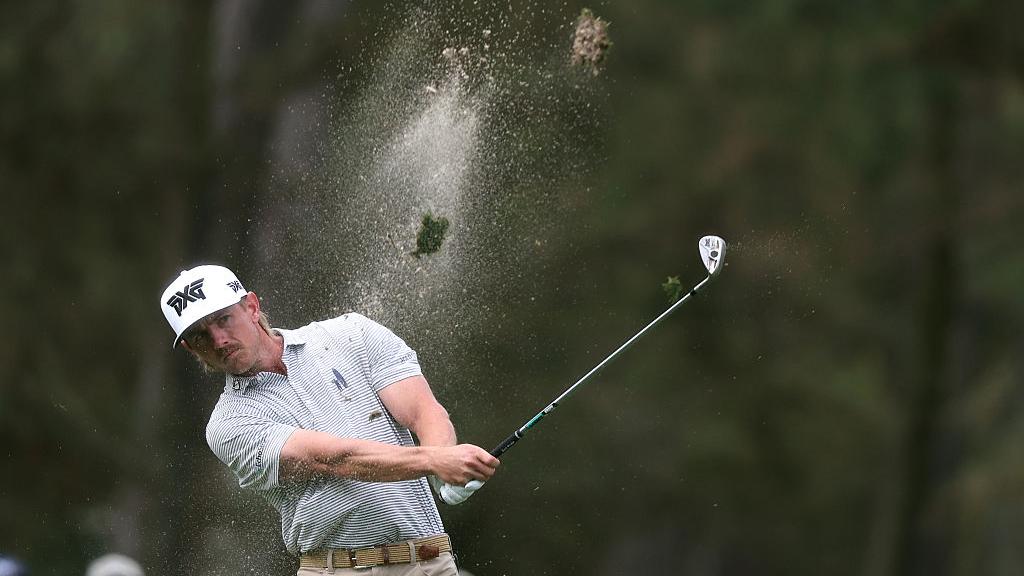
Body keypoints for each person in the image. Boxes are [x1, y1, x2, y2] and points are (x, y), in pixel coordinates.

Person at [160, 265, 498, 575]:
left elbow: (423, 411)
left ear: (250, 306)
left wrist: (444, 463)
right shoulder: (229, 424)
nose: (219, 340)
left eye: (223, 319)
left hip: (430, 563)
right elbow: (336, 459)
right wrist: (435, 461)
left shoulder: (350, 334)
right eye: (202, 335)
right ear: (192, 348)